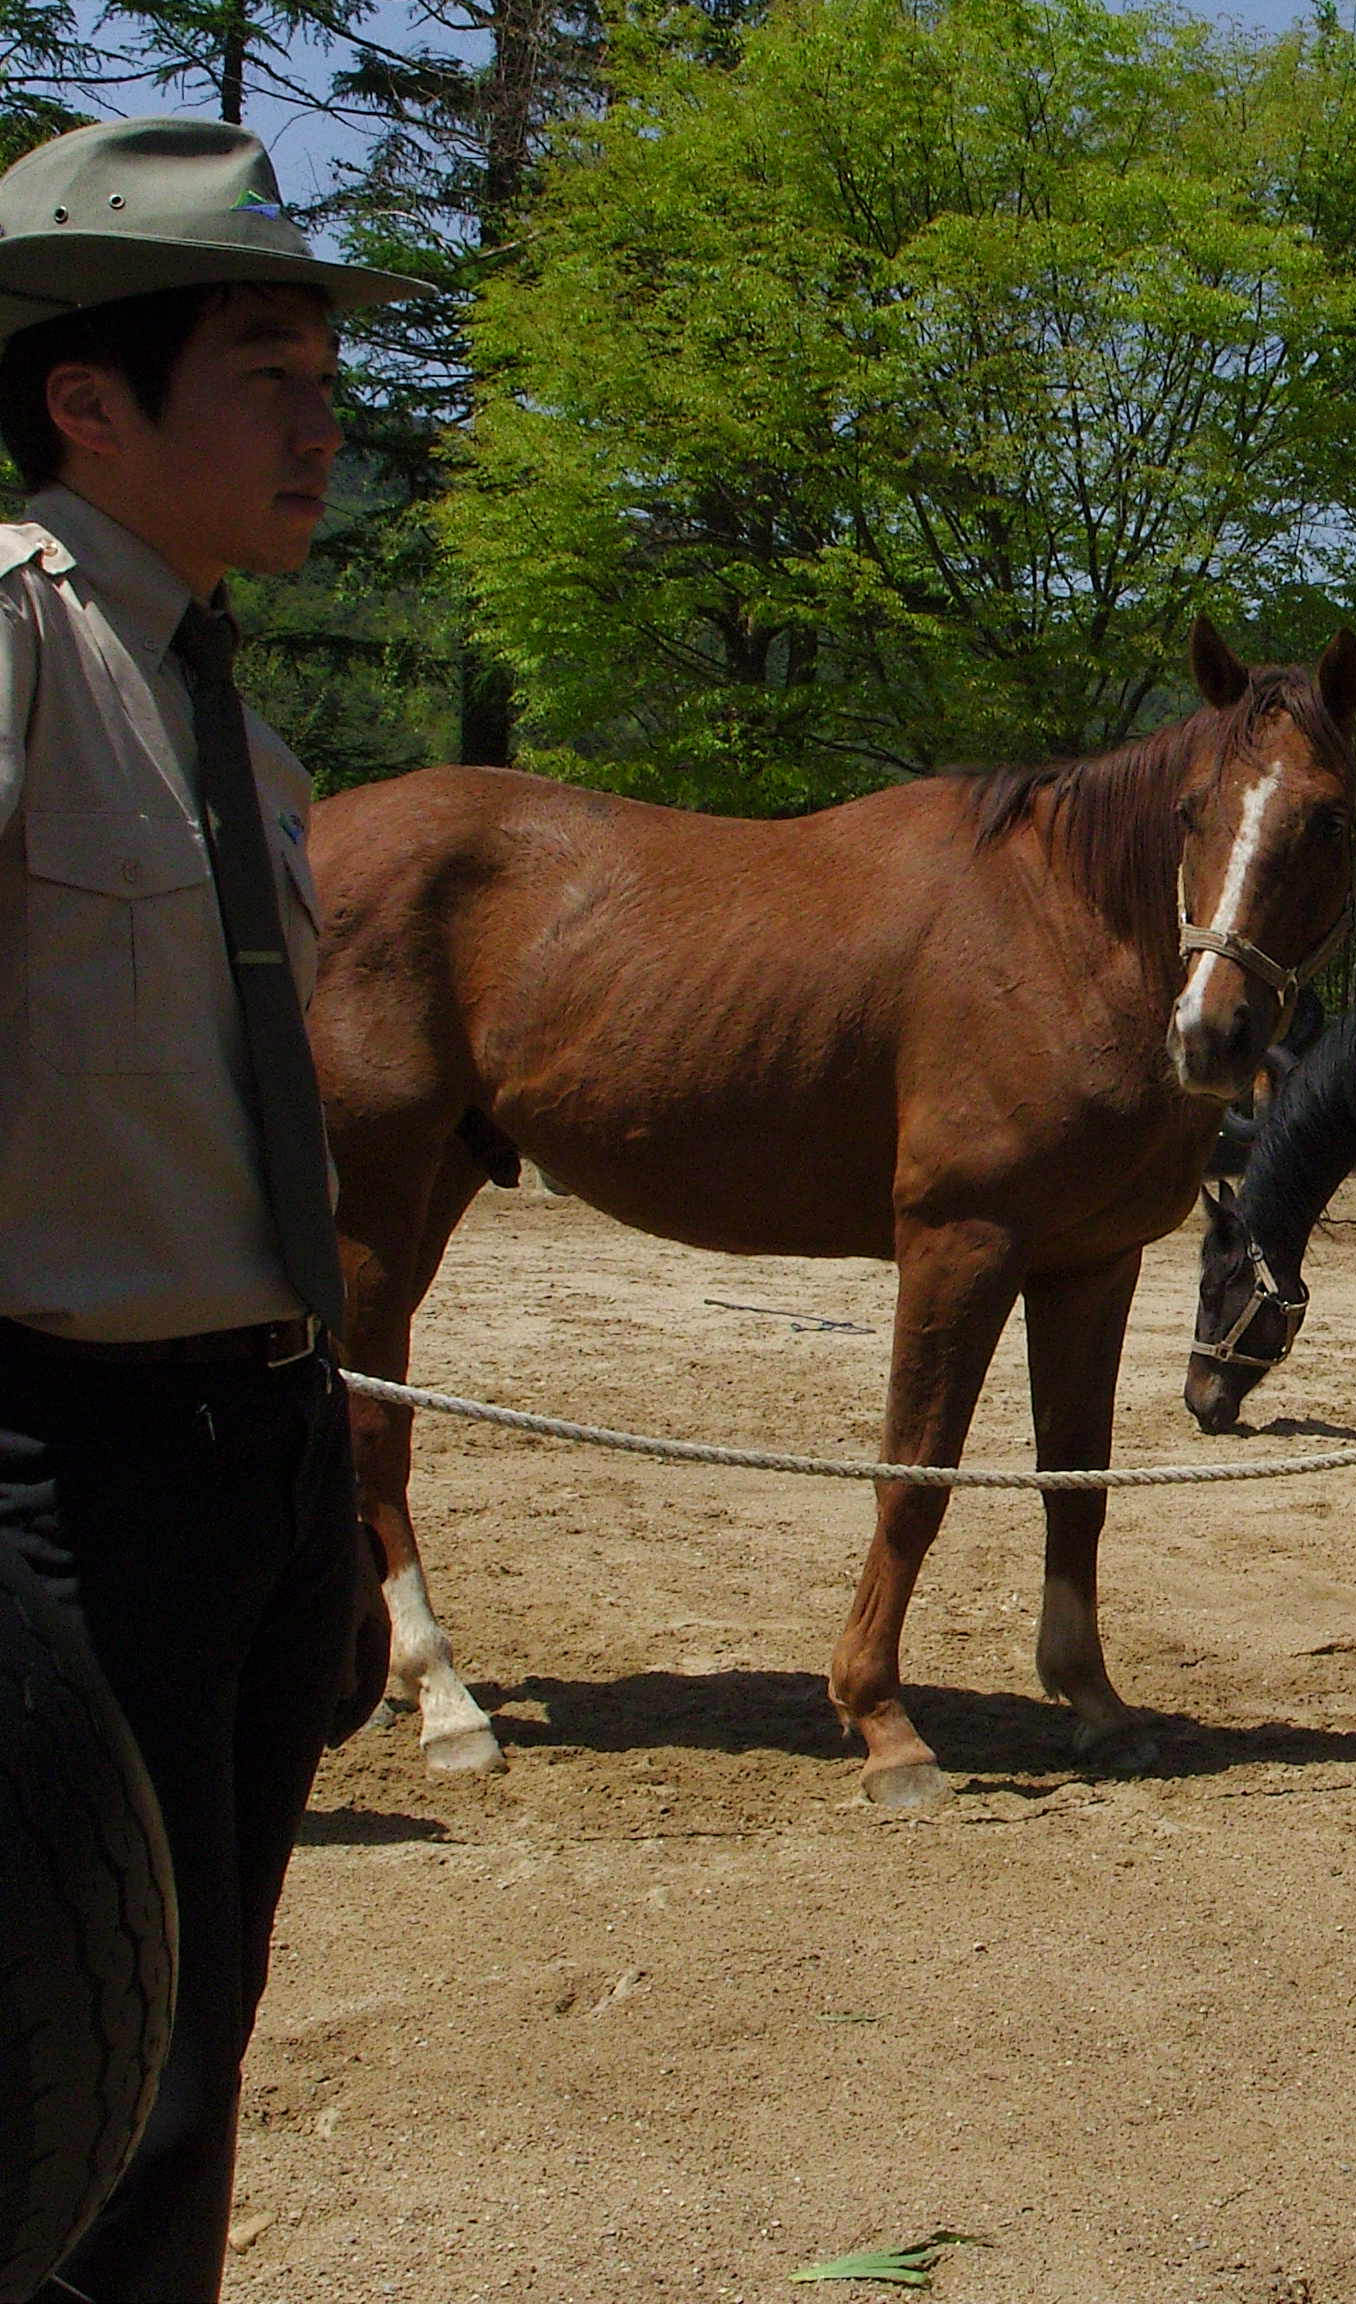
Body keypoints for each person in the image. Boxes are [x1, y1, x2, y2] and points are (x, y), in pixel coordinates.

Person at [0, 117, 430, 2300]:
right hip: (63, 1465)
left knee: (199, 2043)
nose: (320, 417)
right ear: (90, 398)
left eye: (326, 374)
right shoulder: (11, 653)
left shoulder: (231, 729)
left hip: (254, 1446)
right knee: (74, 2059)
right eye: (266, 367)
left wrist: (327, 1482)